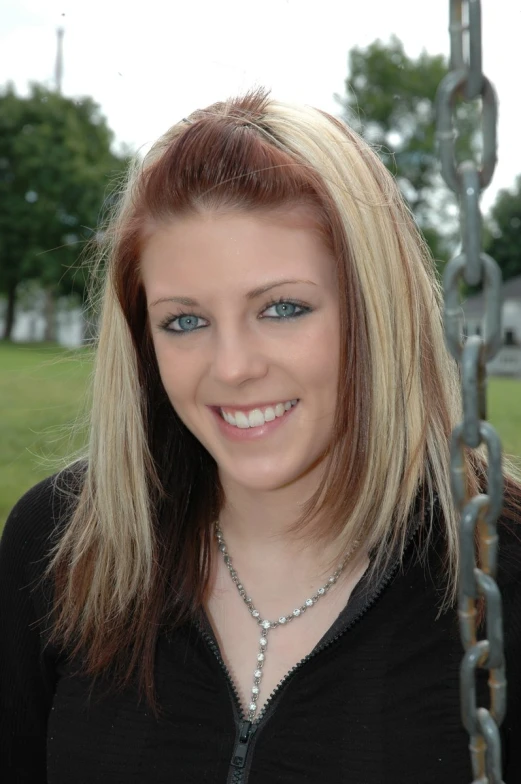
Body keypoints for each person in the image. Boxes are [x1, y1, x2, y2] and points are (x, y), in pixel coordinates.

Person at [1, 89, 520, 784]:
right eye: (183, 321)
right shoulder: (59, 543)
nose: (234, 368)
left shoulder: (501, 571)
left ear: (376, 311)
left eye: (282, 308)